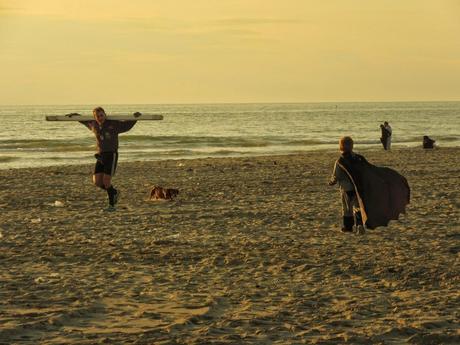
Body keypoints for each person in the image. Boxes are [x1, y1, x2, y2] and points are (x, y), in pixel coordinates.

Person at [79, 107, 139, 210]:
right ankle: (114, 191)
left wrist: (135, 118)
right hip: (100, 155)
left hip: (111, 155)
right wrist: (76, 116)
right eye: (97, 116)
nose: (100, 117)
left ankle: (111, 205)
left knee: (106, 181)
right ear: (94, 117)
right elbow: (84, 121)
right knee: (97, 182)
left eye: (101, 115)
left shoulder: (113, 124)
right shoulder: (93, 125)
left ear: (105, 115)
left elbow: (126, 126)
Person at [328, 136, 365, 234]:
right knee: (357, 207)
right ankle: (359, 225)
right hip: (358, 187)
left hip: (346, 189)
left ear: (340, 147)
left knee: (347, 208)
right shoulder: (358, 158)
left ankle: (348, 227)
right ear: (352, 146)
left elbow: (336, 176)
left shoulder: (339, 161)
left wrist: (331, 182)